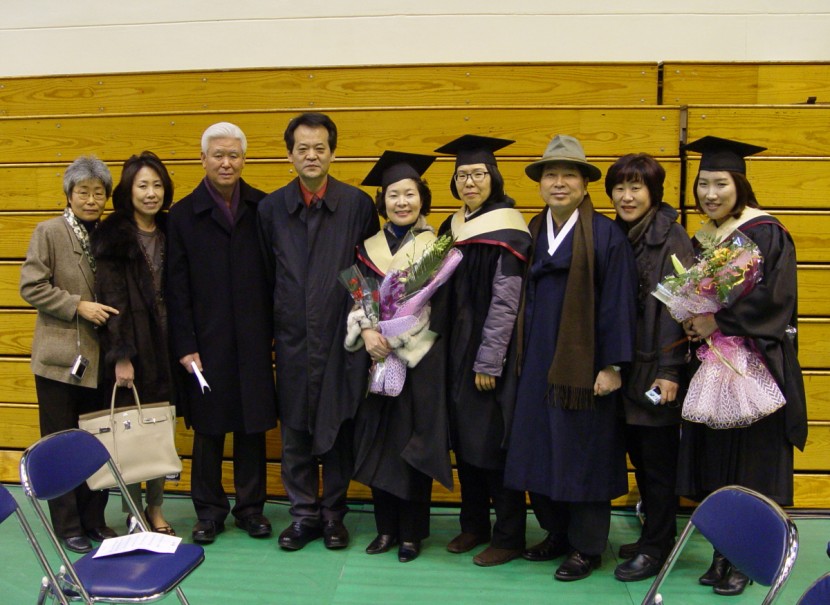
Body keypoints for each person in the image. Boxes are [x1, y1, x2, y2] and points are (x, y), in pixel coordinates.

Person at [677, 136, 807, 597]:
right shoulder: (703, 239)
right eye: (703, 184)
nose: (710, 194)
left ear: (740, 185)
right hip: (713, 368)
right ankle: (722, 553)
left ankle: (747, 560)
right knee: (717, 462)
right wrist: (691, 317)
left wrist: (719, 320)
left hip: (755, 369)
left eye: (721, 184)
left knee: (752, 466)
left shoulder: (766, 232)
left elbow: (777, 299)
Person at [504, 134, 638, 582]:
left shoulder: (606, 235)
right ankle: (556, 533)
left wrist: (612, 366)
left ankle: (587, 547)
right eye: (551, 175)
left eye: (568, 176)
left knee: (584, 454)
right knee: (539, 450)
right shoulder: (532, 231)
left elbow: (619, 303)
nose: (559, 183)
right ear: (540, 183)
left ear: (584, 185)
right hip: (535, 362)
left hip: (584, 368)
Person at [258, 112, 379, 551]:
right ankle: (304, 515)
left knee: (338, 428)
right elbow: (267, 274)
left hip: (340, 337)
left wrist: (363, 322)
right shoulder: (272, 209)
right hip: (292, 338)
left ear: (332, 153)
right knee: (295, 431)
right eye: (302, 148)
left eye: (320, 148)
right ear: (289, 155)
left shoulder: (357, 205)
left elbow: (364, 273)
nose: (311, 156)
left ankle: (333, 516)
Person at [166, 122, 277, 545]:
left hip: (254, 337)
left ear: (244, 160)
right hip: (205, 342)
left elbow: (275, 276)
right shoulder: (182, 215)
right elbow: (175, 288)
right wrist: (186, 345)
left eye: (234, 155)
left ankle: (251, 509)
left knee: (252, 426)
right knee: (209, 430)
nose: (226, 162)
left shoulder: (262, 208)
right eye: (218, 155)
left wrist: (274, 331)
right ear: (203, 160)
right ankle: (209, 512)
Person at [345, 151, 454, 563]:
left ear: (422, 198)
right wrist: (368, 331)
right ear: (383, 201)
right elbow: (358, 293)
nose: (402, 202)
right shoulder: (366, 248)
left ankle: (412, 533)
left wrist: (400, 337)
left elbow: (441, 306)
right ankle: (385, 529)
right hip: (376, 358)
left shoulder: (437, 247)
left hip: (418, 359)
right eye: (394, 195)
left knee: (412, 443)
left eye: (409, 194)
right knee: (378, 440)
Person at [433, 135, 532, 567]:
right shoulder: (450, 227)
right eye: (462, 176)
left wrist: (489, 361)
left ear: (493, 177)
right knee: (464, 441)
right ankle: (473, 525)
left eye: (478, 174)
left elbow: (507, 301)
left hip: (489, 355)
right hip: (454, 351)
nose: (470, 182)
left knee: (492, 446)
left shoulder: (509, 229)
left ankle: (509, 535)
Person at [19, 155, 119, 553]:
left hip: (102, 359)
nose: (91, 200)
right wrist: (77, 305)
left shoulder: (110, 234)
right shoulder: (49, 231)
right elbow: (31, 286)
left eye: (99, 193)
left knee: (96, 441)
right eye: (83, 192)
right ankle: (67, 524)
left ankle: (95, 519)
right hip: (60, 360)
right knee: (60, 443)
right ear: (69, 194)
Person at [604, 153, 695, 582]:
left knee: (657, 464)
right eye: (619, 188)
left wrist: (670, 370)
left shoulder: (671, 237)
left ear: (653, 193)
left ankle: (657, 547)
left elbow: (680, 308)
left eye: (636, 187)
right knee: (640, 459)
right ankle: (654, 536)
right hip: (627, 368)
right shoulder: (619, 233)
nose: (626, 196)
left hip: (656, 370)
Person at [91, 151, 176, 536]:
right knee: (129, 434)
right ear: (128, 191)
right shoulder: (112, 236)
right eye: (143, 185)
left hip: (168, 346)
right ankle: (133, 512)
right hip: (134, 347)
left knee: (158, 431)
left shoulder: (171, 230)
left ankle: (155, 509)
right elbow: (113, 301)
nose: (151, 193)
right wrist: (121, 356)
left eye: (157, 185)